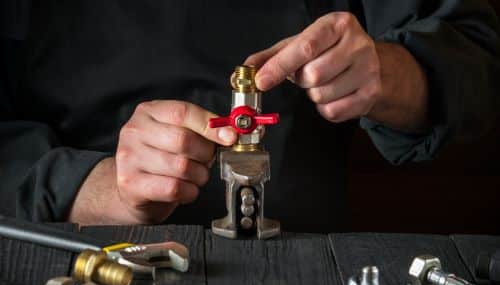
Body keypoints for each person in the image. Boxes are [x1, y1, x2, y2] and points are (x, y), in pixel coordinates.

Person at [1, 1, 499, 233]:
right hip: (65, 253)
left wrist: (388, 73)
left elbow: (478, 59)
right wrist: (96, 187)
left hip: (304, 255)